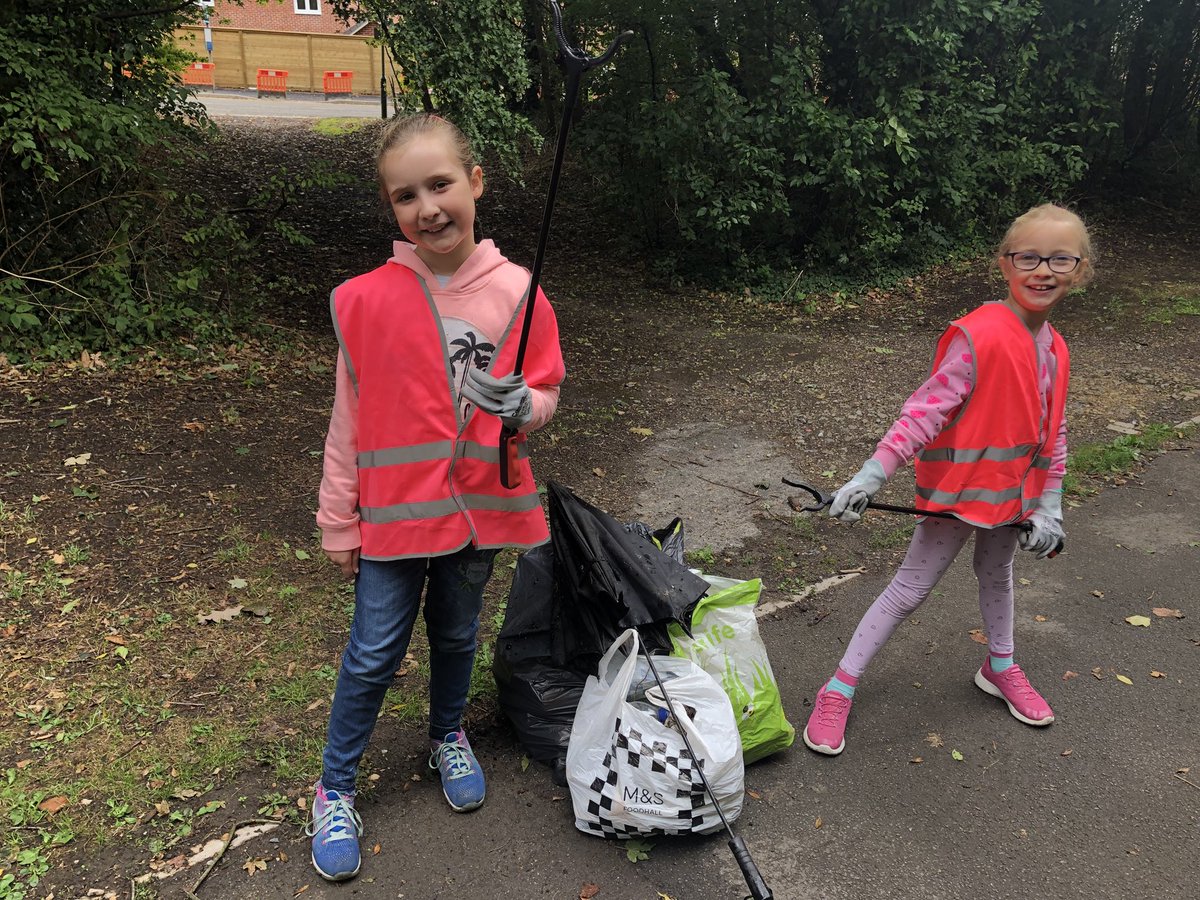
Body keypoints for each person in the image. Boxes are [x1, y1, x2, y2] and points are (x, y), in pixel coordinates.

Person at [308, 113, 565, 880]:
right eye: (405, 195)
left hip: (478, 516)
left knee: (456, 637)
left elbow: (543, 386)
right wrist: (337, 519)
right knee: (374, 652)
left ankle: (446, 733)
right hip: (390, 520)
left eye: (441, 184)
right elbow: (347, 421)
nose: (427, 207)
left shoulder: (520, 293)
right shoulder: (365, 301)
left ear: (476, 183)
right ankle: (334, 786)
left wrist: (526, 406)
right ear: (392, 208)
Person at [803, 203, 1092, 757]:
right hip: (958, 495)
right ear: (1005, 263)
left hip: (1014, 499)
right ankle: (838, 686)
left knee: (997, 574)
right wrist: (872, 474)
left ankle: (999, 666)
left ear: (1078, 269)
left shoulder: (1056, 348)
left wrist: (1050, 506)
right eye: (1028, 256)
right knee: (910, 588)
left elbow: (1052, 432)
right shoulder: (977, 335)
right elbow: (923, 413)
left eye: (1060, 258)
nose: (1044, 270)